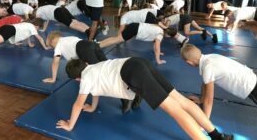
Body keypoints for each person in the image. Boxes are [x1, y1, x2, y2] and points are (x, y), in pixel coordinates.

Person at [57, 57, 234, 140]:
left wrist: (70, 124)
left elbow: (78, 103)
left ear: (77, 79)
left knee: (174, 109)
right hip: (138, 62)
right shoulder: (93, 67)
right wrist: (93, 107)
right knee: (181, 101)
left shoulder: (85, 79)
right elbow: (94, 91)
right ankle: (217, 136)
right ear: (85, 64)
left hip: (132, 73)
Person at [181, 44, 257, 118]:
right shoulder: (211, 57)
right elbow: (205, 84)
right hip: (251, 77)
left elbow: (209, 101)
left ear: (189, 62)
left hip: (250, 86)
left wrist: (205, 123)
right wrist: (201, 100)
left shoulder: (207, 69)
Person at [42, 31, 107, 84]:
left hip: (83, 48)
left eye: (52, 46)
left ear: (53, 41)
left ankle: (101, 83)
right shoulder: (69, 38)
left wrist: (53, 79)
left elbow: (55, 62)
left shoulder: (58, 45)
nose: (53, 48)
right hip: (92, 44)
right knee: (105, 64)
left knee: (96, 70)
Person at [99, 23, 177, 65]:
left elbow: (155, 45)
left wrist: (158, 52)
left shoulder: (160, 29)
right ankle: (98, 46)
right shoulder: (160, 34)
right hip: (134, 29)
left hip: (135, 26)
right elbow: (157, 46)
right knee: (116, 40)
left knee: (116, 39)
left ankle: (99, 44)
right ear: (169, 35)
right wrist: (158, 60)